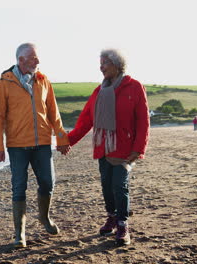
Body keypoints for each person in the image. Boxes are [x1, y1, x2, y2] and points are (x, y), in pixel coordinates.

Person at [0, 43, 71, 248]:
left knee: (48, 183)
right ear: (21, 60)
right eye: (34, 58)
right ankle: (20, 235)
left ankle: (44, 218)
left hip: (43, 143)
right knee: (19, 188)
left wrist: (62, 139)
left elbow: (54, 112)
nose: (38, 61)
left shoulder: (43, 81)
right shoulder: (5, 81)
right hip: (17, 146)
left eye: (37, 58)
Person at [67, 49, 149, 245]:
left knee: (119, 186)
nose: (101, 67)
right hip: (103, 147)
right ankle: (112, 216)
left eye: (105, 63)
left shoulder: (134, 87)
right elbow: (86, 120)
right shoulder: (99, 91)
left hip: (126, 149)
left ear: (117, 64)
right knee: (106, 186)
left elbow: (143, 121)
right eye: (100, 63)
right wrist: (67, 141)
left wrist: (138, 148)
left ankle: (122, 224)